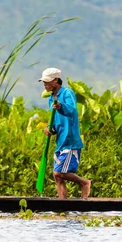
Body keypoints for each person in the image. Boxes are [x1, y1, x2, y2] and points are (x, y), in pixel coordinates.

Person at [38, 67, 91, 199]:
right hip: (60, 142)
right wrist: (50, 128)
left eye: (47, 81)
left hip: (70, 141)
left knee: (59, 172)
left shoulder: (67, 93)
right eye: (43, 82)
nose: (45, 84)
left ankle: (84, 183)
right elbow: (56, 120)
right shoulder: (51, 98)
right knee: (57, 177)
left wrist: (61, 106)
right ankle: (63, 207)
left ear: (56, 80)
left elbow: (71, 110)